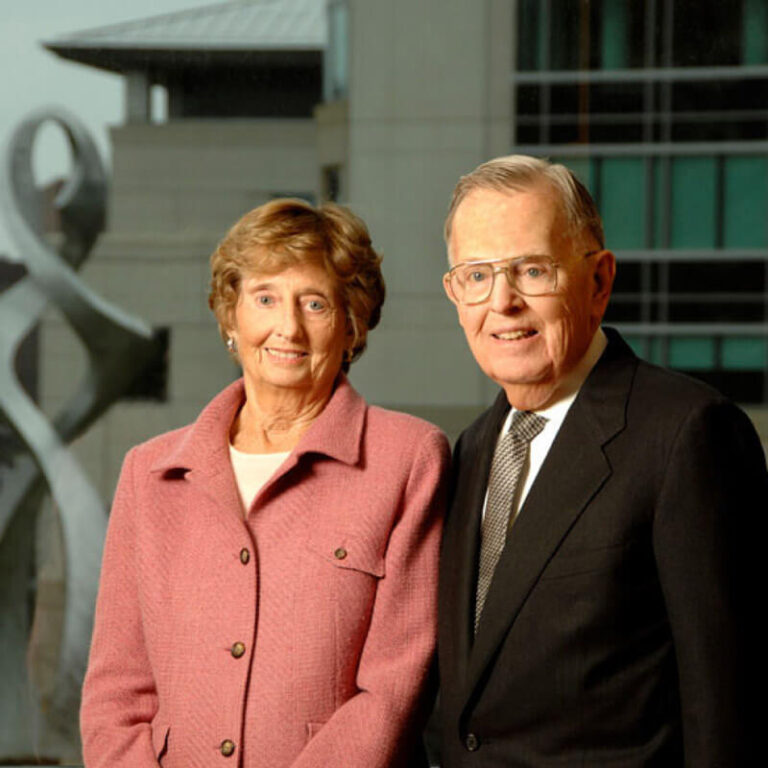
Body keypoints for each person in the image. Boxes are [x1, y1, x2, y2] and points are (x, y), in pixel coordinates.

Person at [80, 199, 450, 768]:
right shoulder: (148, 474)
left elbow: (395, 686)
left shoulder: (408, 459)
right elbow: (115, 694)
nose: (288, 326)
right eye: (265, 298)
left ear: (351, 324)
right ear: (231, 317)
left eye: (316, 303)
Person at [437, 155, 766, 766]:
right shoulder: (473, 448)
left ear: (599, 281)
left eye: (531, 270)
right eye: (476, 275)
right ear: (456, 294)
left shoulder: (688, 434)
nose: (502, 302)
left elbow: (731, 709)